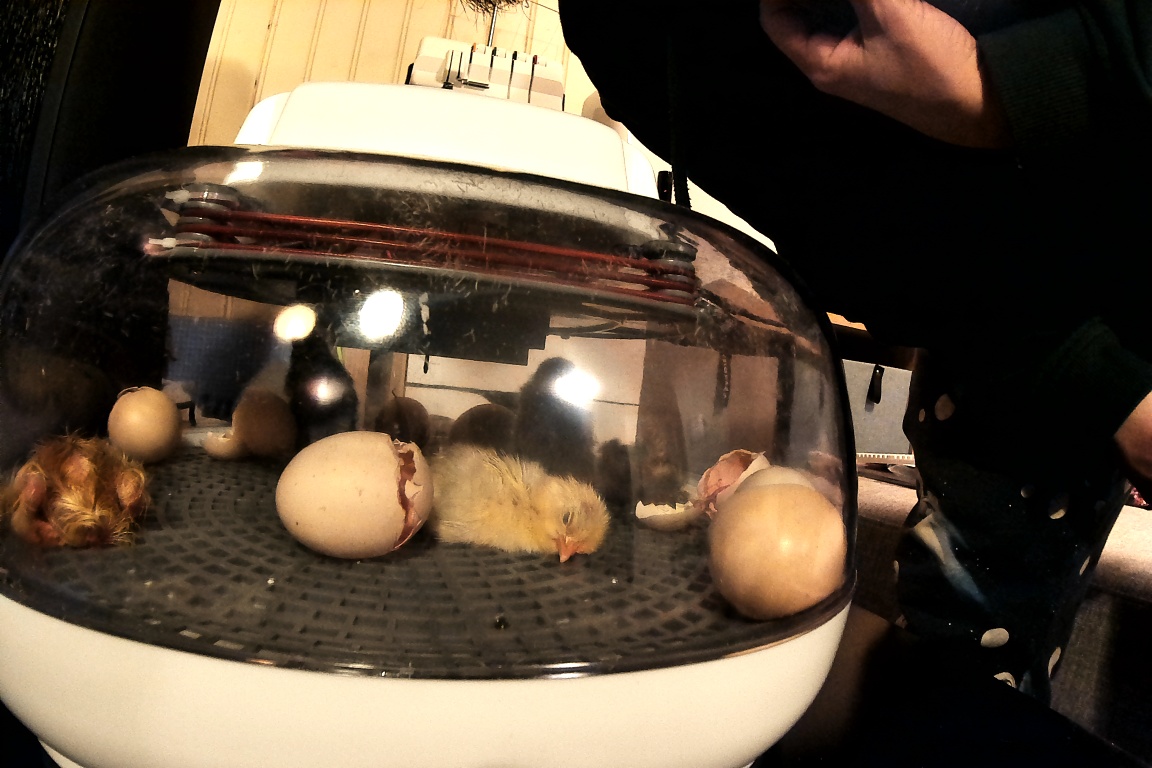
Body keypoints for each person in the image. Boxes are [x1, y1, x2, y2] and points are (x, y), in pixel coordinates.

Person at [558, 0, 1152, 701]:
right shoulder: (620, 32)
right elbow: (856, 227)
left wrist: (998, 83)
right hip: (1013, 326)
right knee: (962, 650)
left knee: (967, 648)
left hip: (1074, 299)